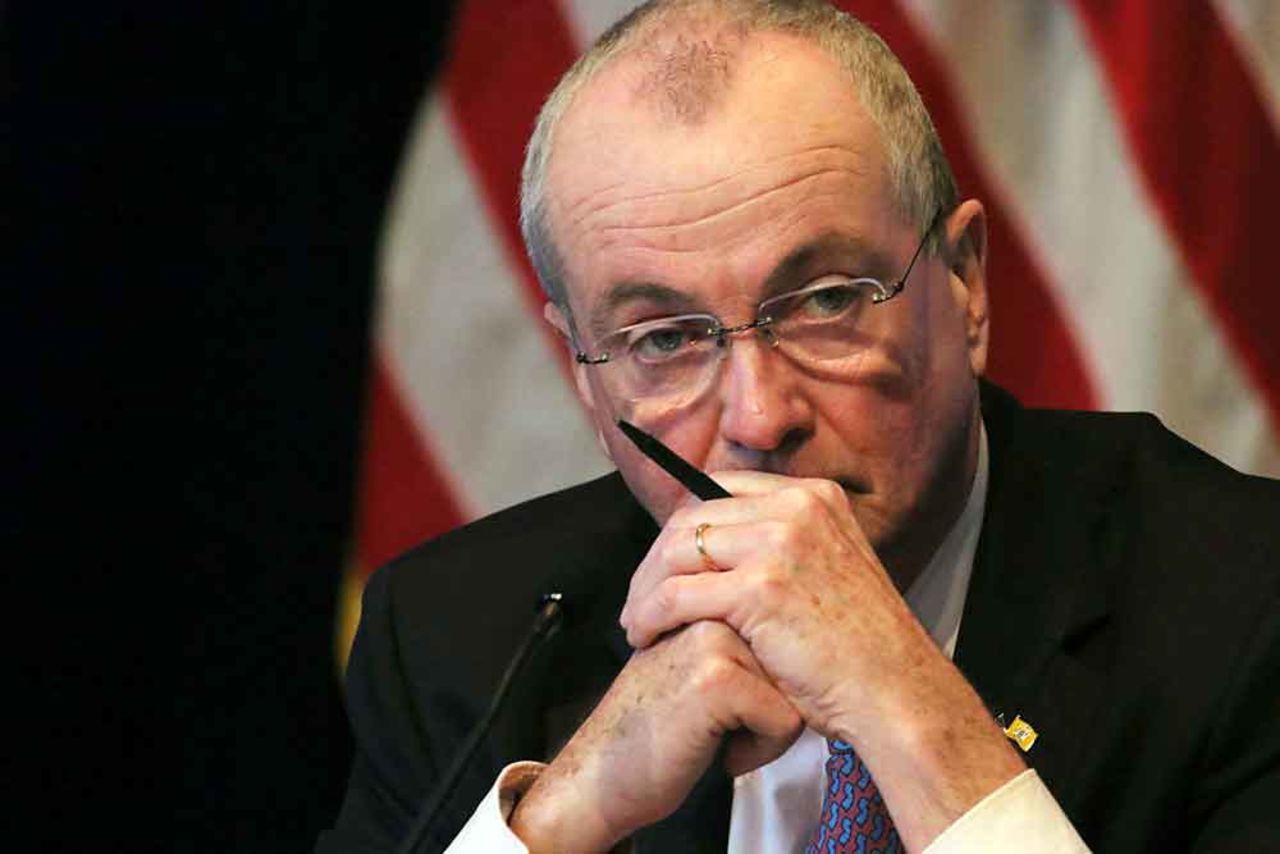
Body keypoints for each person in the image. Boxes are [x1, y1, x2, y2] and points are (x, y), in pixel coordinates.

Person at [317, 1, 1280, 851]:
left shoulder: (1242, 602)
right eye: (662, 339)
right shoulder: (459, 642)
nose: (758, 417)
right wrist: (561, 820)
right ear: (582, 371)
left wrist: (904, 701)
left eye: (825, 300)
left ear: (966, 282)